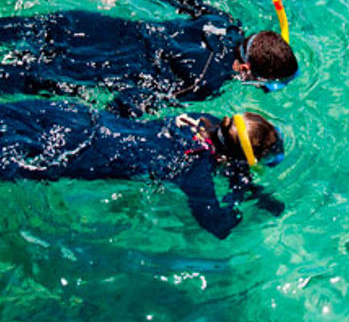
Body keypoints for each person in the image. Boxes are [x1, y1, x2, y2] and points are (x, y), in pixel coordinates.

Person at [0, 0, 298, 116]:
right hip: (93, 66)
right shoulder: (206, 82)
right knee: (22, 74)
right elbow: (139, 99)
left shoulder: (224, 23)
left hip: (94, 27)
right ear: (246, 70)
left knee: (26, 28)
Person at [0, 99, 285, 239]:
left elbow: (227, 159)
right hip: (83, 154)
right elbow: (217, 226)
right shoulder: (194, 171)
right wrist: (243, 207)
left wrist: (250, 187)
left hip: (75, 117)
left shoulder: (203, 119)